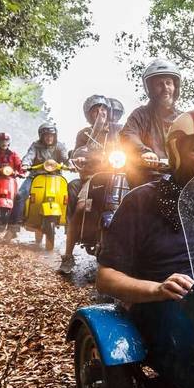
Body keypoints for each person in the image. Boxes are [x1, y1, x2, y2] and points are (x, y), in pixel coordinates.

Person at [96, 110, 194, 304]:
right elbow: (106, 277)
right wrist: (156, 289)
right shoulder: (141, 201)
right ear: (176, 153)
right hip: (163, 315)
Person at [59, 96, 125, 275]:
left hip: (120, 177)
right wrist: (79, 156)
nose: (100, 113)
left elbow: (132, 146)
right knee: (81, 208)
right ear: (89, 114)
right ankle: (68, 256)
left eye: (103, 109)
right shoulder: (85, 133)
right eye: (95, 110)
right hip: (94, 178)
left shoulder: (118, 131)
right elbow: (79, 151)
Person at [120, 58, 183, 188]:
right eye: (159, 84)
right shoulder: (140, 114)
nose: (165, 88)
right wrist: (144, 152)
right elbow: (128, 134)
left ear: (175, 86)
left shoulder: (183, 118)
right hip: (147, 180)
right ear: (151, 88)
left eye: (168, 83)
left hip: (178, 179)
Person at [9, 122, 69, 234]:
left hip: (56, 178)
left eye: (51, 135)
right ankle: (14, 225)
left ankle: (69, 224)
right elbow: (29, 156)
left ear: (55, 136)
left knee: (70, 195)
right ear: (41, 136)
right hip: (35, 176)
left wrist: (71, 165)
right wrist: (26, 164)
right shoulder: (36, 145)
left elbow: (66, 158)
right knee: (20, 195)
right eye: (46, 135)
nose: (49, 138)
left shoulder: (60, 146)